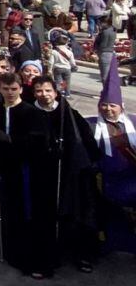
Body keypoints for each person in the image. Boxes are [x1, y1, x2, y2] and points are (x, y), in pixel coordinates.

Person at [0, 72, 51, 278]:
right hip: (2, 168)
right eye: (6, 89)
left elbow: (39, 141)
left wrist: (10, 140)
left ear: (21, 89)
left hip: (25, 170)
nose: (10, 93)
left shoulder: (31, 112)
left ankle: (28, 256)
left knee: (25, 212)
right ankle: (8, 248)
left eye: (14, 89)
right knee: (6, 210)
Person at [31, 75, 100, 272]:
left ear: (55, 92)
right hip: (41, 174)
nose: (44, 95)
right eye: (39, 91)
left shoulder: (67, 112)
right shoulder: (31, 111)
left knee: (73, 213)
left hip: (68, 173)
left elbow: (84, 139)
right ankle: (47, 257)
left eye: (47, 90)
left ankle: (79, 254)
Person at [89, 58, 136, 255]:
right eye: (104, 105)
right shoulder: (90, 125)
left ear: (121, 106)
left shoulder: (134, 122)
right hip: (105, 182)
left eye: (113, 105)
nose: (108, 109)